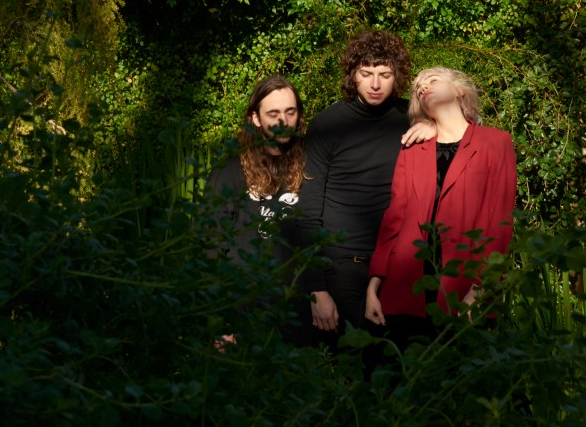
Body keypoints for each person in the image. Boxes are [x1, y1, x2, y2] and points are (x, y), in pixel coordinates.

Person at [364, 67, 516, 342]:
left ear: (459, 90)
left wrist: (482, 287)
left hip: (465, 285)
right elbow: (394, 219)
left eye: (432, 80)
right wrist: (374, 285)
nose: (422, 87)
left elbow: (500, 222)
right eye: (417, 87)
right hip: (407, 287)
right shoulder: (412, 149)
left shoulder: (495, 142)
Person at [300, 30, 433, 338]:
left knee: (393, 366)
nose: (375, 84)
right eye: (367, 73)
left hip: (395, 265)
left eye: (385, 74)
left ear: (396, 75)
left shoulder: (411, 118)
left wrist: (431, 126)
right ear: (353, 75)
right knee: (344, 366)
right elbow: (308, 209)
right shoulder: (328, 124)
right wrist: (316, 289)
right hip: (339, 265)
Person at [207, 74, 316, 345]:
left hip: (297, 308)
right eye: (273, 113)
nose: (283, 121)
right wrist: (219, 319)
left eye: (290, 112)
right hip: (244, 308)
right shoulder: (231, 169)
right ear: (255, 118)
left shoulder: (313, 164)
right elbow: (210, 243)